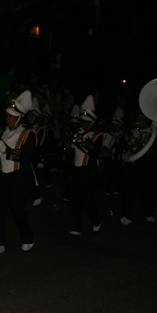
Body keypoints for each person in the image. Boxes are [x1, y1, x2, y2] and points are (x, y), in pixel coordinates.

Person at [0, 91, 38, 254]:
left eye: (10, 116)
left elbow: (28, 156)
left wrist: (7, 151)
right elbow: (0, 151)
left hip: (18, 177)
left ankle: (28, 238)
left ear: (19, 117)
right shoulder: (2, 131)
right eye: (7, 115)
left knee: (18, 210)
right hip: (3, 176)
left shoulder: (27, 132)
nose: (7, 118)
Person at [67, 95, 106, 235]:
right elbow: (72, 151)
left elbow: (94, 153)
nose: (82, 125)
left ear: (91, 123)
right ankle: (76, 227)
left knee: (87, 200)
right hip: (77, 170)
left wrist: (80, 143)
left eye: (85, 122)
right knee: (75, 200)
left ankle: (96, 220)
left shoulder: (97, 135)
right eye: (81, 122)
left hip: (89, 171)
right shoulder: (78, 133)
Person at [119, 112, 157, 225]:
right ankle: (127, 215)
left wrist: (146, 150)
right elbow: (125, 146)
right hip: (133, 166)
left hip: (147, 167)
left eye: (142, 119)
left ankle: (150, 214)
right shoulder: (133, 132)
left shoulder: (155, 134)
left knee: (147, 192)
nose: (139, 122)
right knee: (129, 191)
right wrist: (127, 153)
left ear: (147, 120)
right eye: (138, 119)